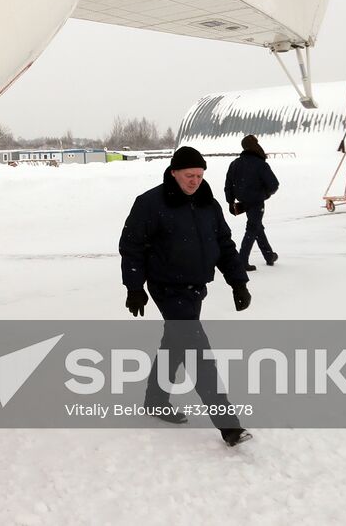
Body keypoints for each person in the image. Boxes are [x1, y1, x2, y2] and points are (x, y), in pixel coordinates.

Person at [119, 145, 253, 447]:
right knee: (196, 350)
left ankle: (155, 400)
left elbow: (224, 244)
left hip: (195, 287)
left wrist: (238, 282)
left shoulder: (208, 203)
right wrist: (134, 287)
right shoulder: (150, 203)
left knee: (176, 342)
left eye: (199, 175)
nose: (195, 181)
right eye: (189, 175)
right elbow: (131, 246)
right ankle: (228, 425)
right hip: (166, 287)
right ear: (174, 173)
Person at [225, 135, 280, 271]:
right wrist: (264, 194)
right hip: (256, 203)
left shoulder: (235, 164)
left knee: (256, 227)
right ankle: (242, 260)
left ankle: (269, 256)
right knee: (252, 229)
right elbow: (274, 185)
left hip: (244, 202)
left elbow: (228, 185)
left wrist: (230, 202)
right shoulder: (260, 164)